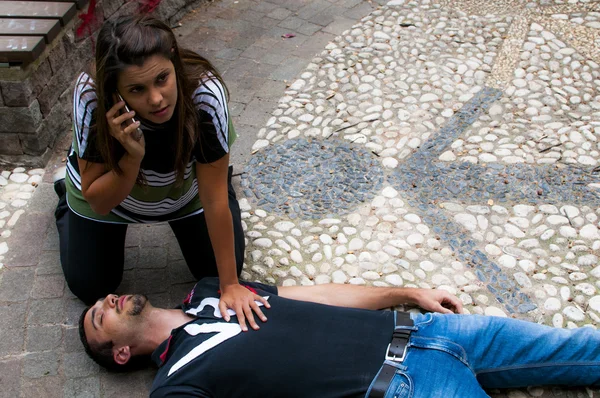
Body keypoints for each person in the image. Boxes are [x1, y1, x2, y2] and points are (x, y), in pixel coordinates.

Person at [54, 15, 266, 329]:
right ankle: (63, 194)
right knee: (90, 287)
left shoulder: (205, 93)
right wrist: (131, 157)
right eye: (137, 89)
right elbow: (99, 202)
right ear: (116, 92)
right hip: (110, 198)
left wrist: (231, 285)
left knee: (219, 269)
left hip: (187, 195)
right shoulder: (91, 95)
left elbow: (214, 198)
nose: (156, 99)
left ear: (175, 65)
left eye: (162, 79)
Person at [79, 278, 600, 397]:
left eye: (103, 300)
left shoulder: (213, 291)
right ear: (121, 353)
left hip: (425, 329)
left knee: (576, 348)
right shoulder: (174, 384)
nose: (108, 301)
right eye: (100, 318)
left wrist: (406, 291)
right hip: (404, 389)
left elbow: (315, 295)